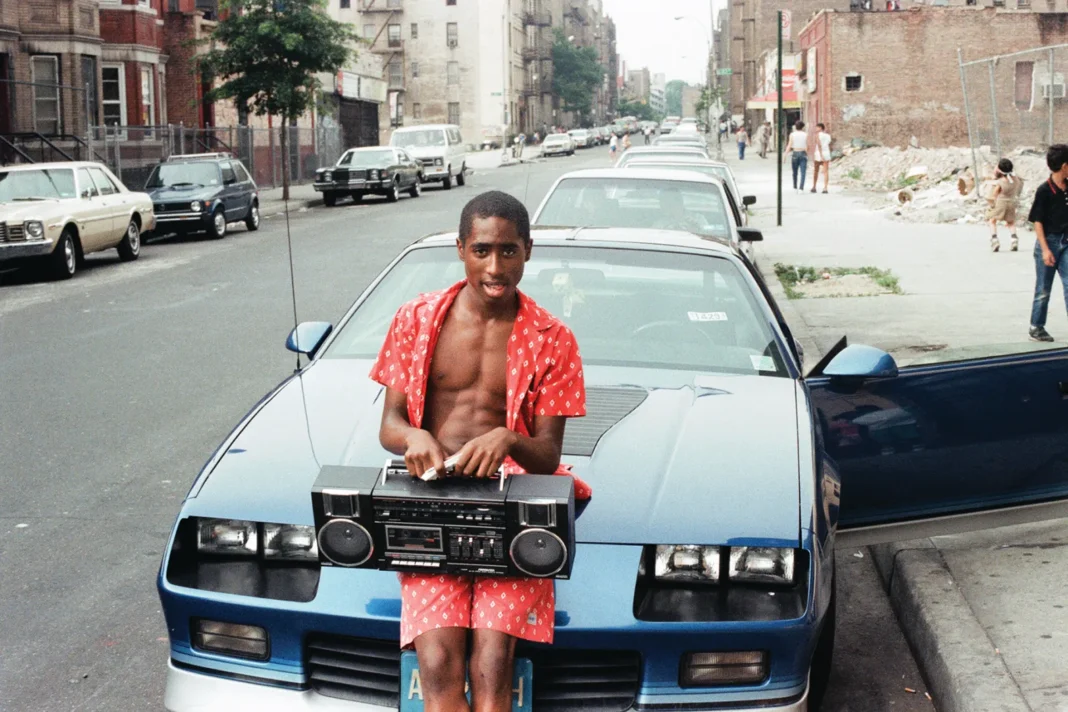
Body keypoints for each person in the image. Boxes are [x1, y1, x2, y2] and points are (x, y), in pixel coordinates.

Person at [372, 190, 589, 712]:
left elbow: (546, 455)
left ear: (528, 251)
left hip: (511, 512)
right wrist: (414, 438)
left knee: (493, 668)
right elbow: (390, 425)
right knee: (439, 666)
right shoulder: (416, 320)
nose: (496, 267)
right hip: (430, 508)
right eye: (482, 250)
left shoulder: (554, 339)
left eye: (509, 251)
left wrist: (509, 438)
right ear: (462, 249)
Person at [1025, 144, 1068, 342]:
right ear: (1065, 166)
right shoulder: (1044, 190)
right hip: (1048, 242)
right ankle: (1037, 326)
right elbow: (1038, 222)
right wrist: (1044, 249)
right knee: (1043, 287)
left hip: (1066, 242)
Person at [986, 158, 1024, 252]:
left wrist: (991, 204)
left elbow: (994, 194)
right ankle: (1014, 239)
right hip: (1011, 202)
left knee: (992, 220)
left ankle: (995, 240)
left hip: (1000, 202)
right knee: (1010, 222)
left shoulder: (1001, 182)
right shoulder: (1016, 179)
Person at [787, 121, 809, 192]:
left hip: (795, 152)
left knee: (795, 172)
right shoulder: (806, 134)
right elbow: (807, 145)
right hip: (803, 153)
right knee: (803, 172)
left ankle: (795, 187)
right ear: (803, 127)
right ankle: (801, 188)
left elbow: (789, 145)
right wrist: (807, 154)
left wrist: (785, 154)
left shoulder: (792, 134)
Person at [811, 123, 832, 194]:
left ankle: (814, 187)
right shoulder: (828, 136)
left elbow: (819, 145)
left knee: (816, 171)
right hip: (826, 153)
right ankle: (825, 188)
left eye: (817, 127)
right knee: (826, 172)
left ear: (820, 128)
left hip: (818, 154)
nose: (816, 129)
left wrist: (821, 155)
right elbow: (828, 144)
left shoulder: (817, 135)